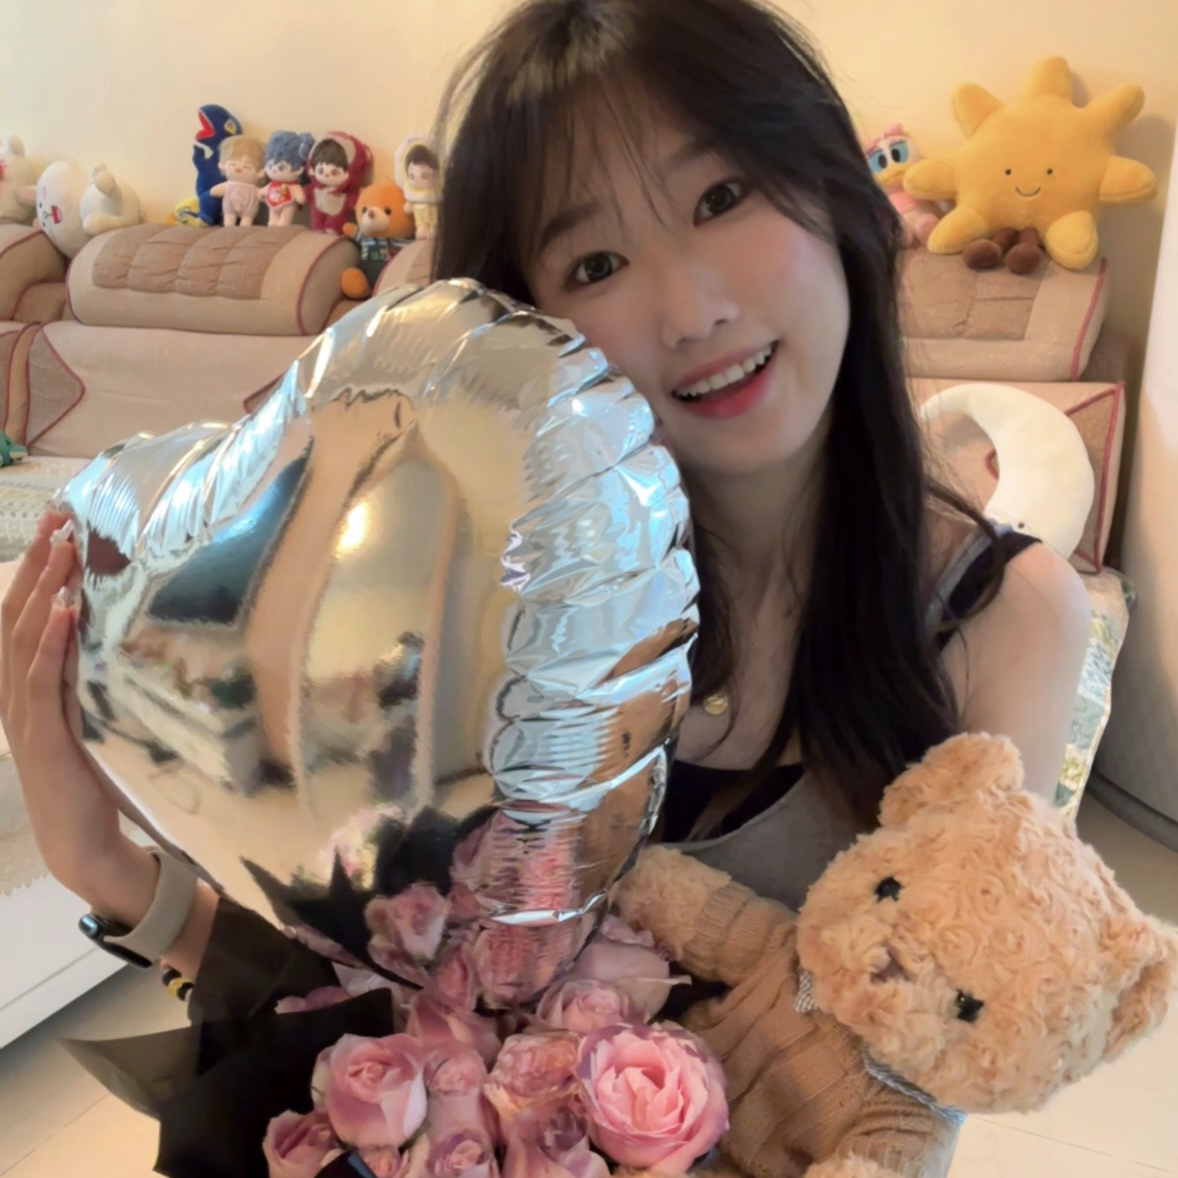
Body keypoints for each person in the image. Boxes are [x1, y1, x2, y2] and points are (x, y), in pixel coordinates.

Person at [0, 0, 1090, 1161]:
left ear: (837, 199)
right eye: (595, 262)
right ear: (523, 326)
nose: (693, 310)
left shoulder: (998, 622)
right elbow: (379, 1006)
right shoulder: (469, 596)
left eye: (721, 197)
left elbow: (926, 1065)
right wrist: (109, 869)